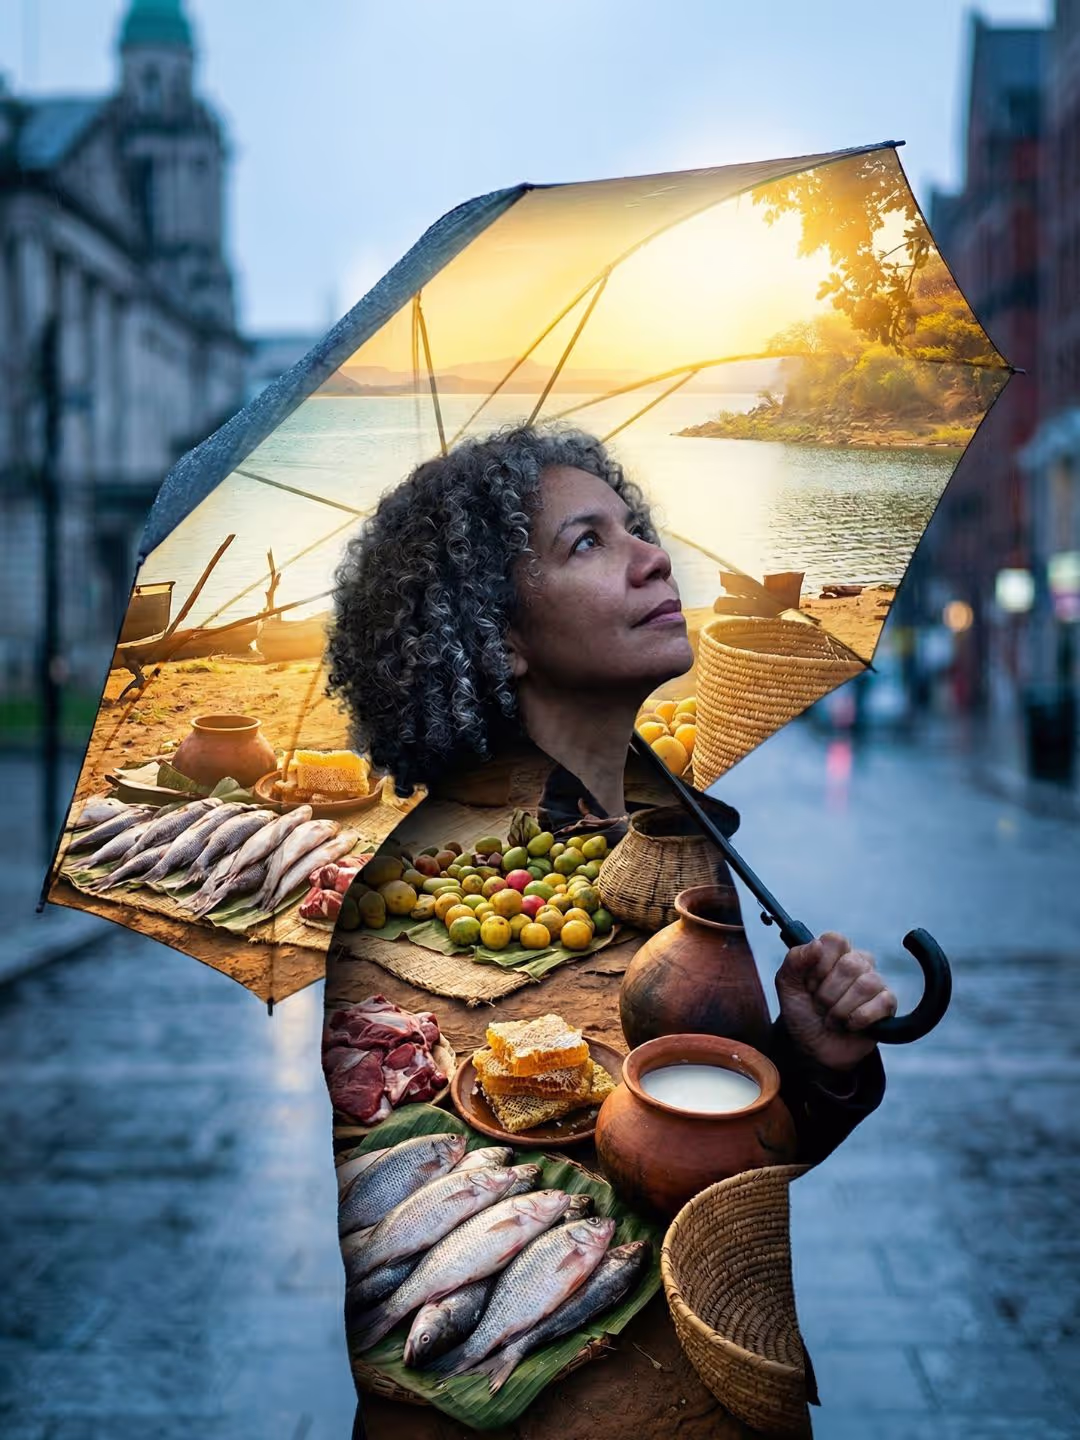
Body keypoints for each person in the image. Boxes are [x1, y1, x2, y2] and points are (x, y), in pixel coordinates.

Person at [326, 423, 896, 1431]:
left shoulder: (667, 823)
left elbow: (732, 1166)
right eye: (588, 543)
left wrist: (810, 1063)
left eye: (634, 526)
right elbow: (418, 1278)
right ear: (497, 634)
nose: (653, 555)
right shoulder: (413, 886)